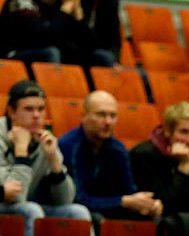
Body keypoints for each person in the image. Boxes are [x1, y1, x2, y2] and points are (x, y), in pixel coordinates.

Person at [0, 80, 91, 236]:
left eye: (41, 109)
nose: (36, 115)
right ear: (11, 112)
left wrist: (54, 161)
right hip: (5, 206)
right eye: (29, 109)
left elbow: (64, 200)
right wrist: (22, 152)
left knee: (78, 212)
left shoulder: (44, 141)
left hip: (24, 207)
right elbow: (14, 197)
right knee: (31, 210)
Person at [57, 91, 161, 222]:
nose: (108, 122)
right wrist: (123, 201)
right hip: (75, 211)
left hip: (109, 207)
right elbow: (77, 198)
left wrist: (148, 204)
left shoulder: (118, 149)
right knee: (95, 218)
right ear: (84, 116)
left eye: (113, 116)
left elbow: (129, 191)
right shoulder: (68, 146)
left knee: (151, 217)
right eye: (101, 115)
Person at [129, 101, 189, 217]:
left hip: (188, 219)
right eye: (184, 132)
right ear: (168, 131)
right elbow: (166, 203)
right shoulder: (143, 154)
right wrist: (183, 167)